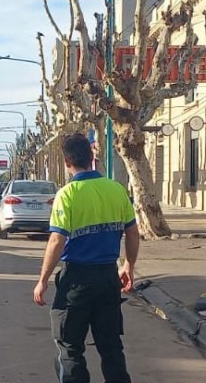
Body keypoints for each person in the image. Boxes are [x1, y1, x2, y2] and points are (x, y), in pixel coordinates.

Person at [33, 133, 139, 383]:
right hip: (108, 278)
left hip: (76, 282)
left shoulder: (67, 194)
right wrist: (128, 266)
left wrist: (43, 279)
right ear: (92, 157)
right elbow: (132, 232)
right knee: (111, 346)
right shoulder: (116, 190)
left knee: (70, 347)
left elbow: (57, 241)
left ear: (66, 162)